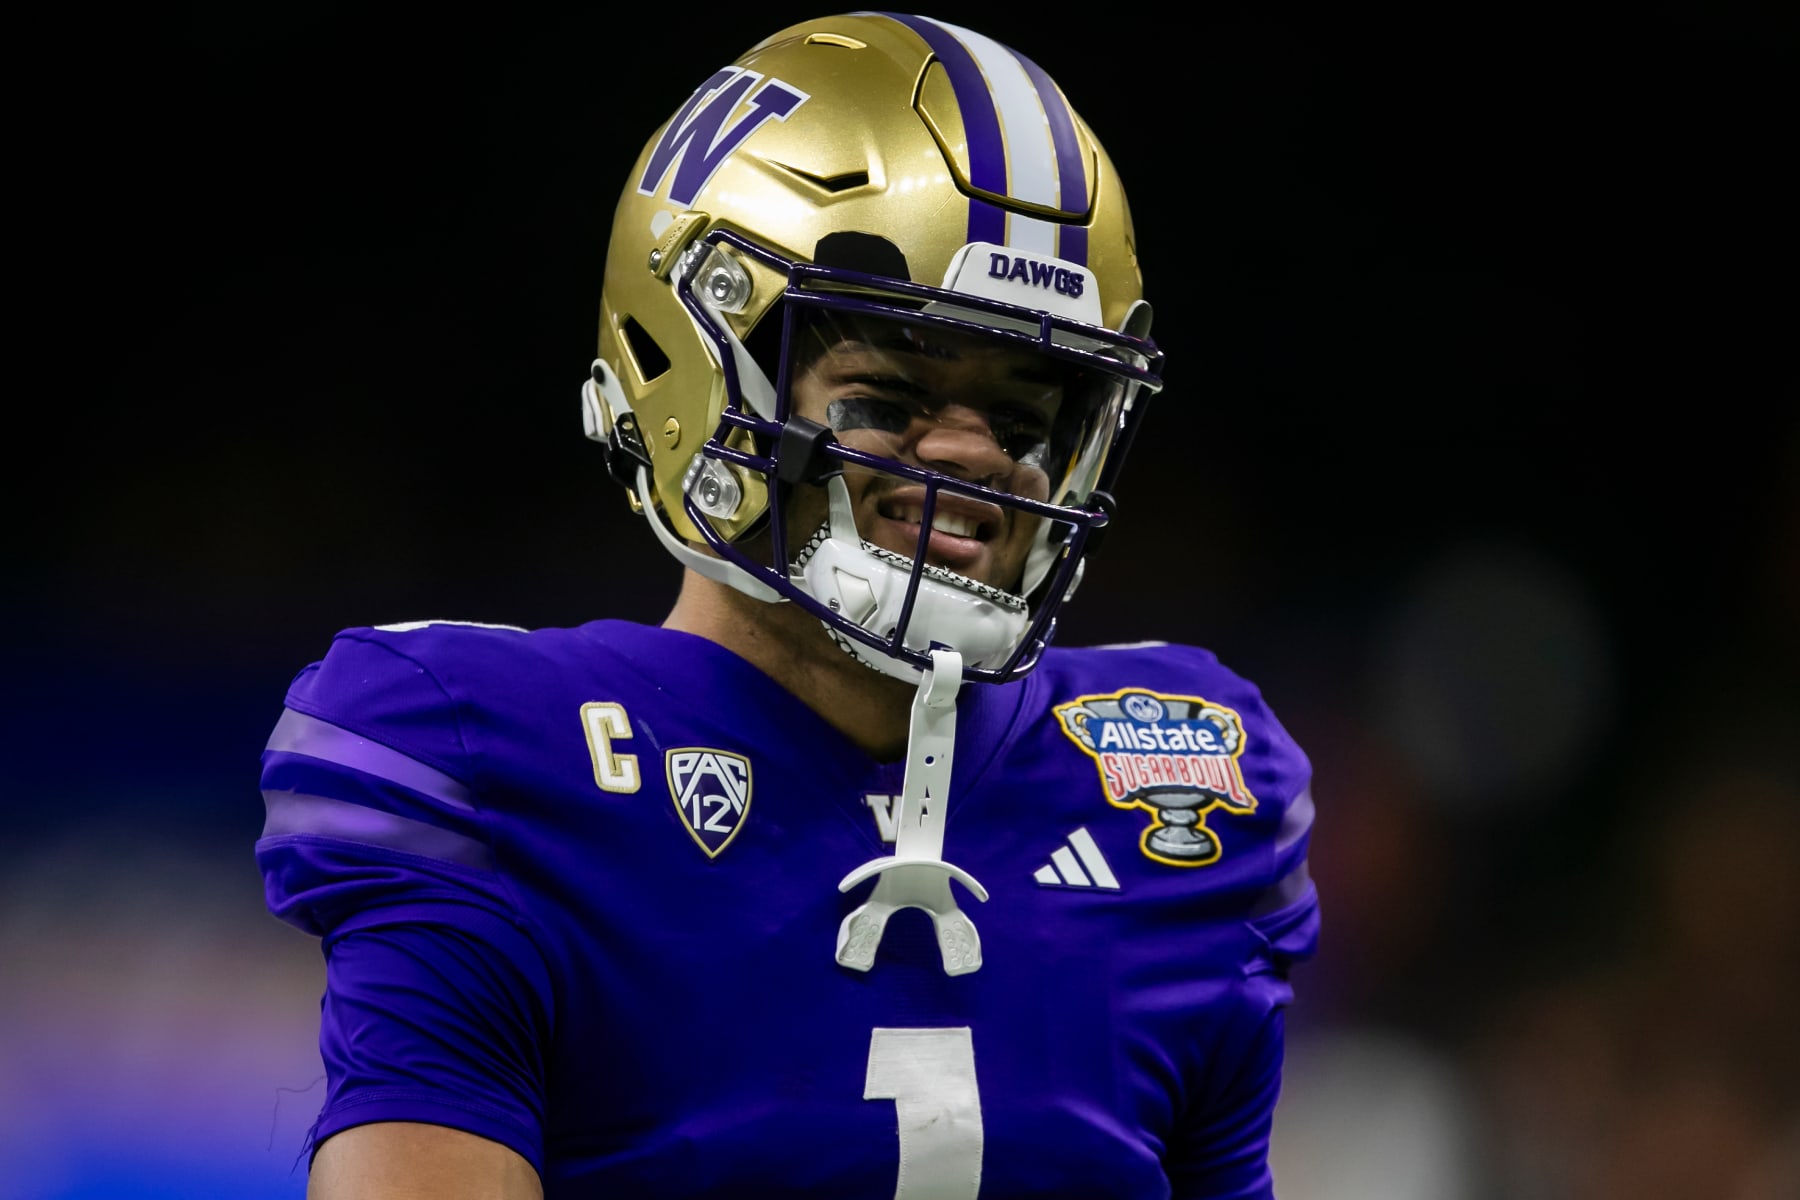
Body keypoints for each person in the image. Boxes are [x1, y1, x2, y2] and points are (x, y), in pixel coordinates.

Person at [257, 12, 1320, 1198]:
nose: (972, 457)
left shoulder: (1173, 778)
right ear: (699, 375)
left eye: (1024, 423)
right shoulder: (481, 757)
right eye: (886, 394)